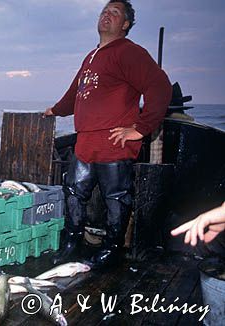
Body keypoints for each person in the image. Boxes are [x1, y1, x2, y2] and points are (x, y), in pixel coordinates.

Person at [43, 0, 172, 269]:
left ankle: (112, 249)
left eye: (114, 13)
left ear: (125, 25)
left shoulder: (129, 52)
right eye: (104, 11)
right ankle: (73, 241)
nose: (106, 15)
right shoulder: (91, 57)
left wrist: (140, 128)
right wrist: (55, 110)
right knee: (74, 192)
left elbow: (159, 86)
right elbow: (75, 93)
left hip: (114, 141)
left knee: (116, 197)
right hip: (85, 140)